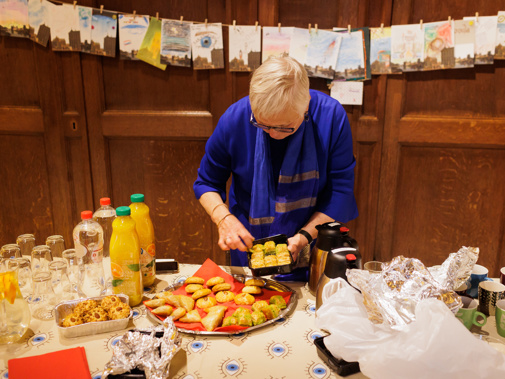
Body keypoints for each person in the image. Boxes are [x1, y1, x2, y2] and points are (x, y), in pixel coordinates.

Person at [193, 56, 358, 266]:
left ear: (305, 105)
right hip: (247, 245)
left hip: (314, 243)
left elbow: (340, 193)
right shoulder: (236, 118)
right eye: (262, 124)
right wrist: (223, 219)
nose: (272, 135)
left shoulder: (331, 117)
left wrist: (303, 238)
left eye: (284, 127)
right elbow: (207, 182)